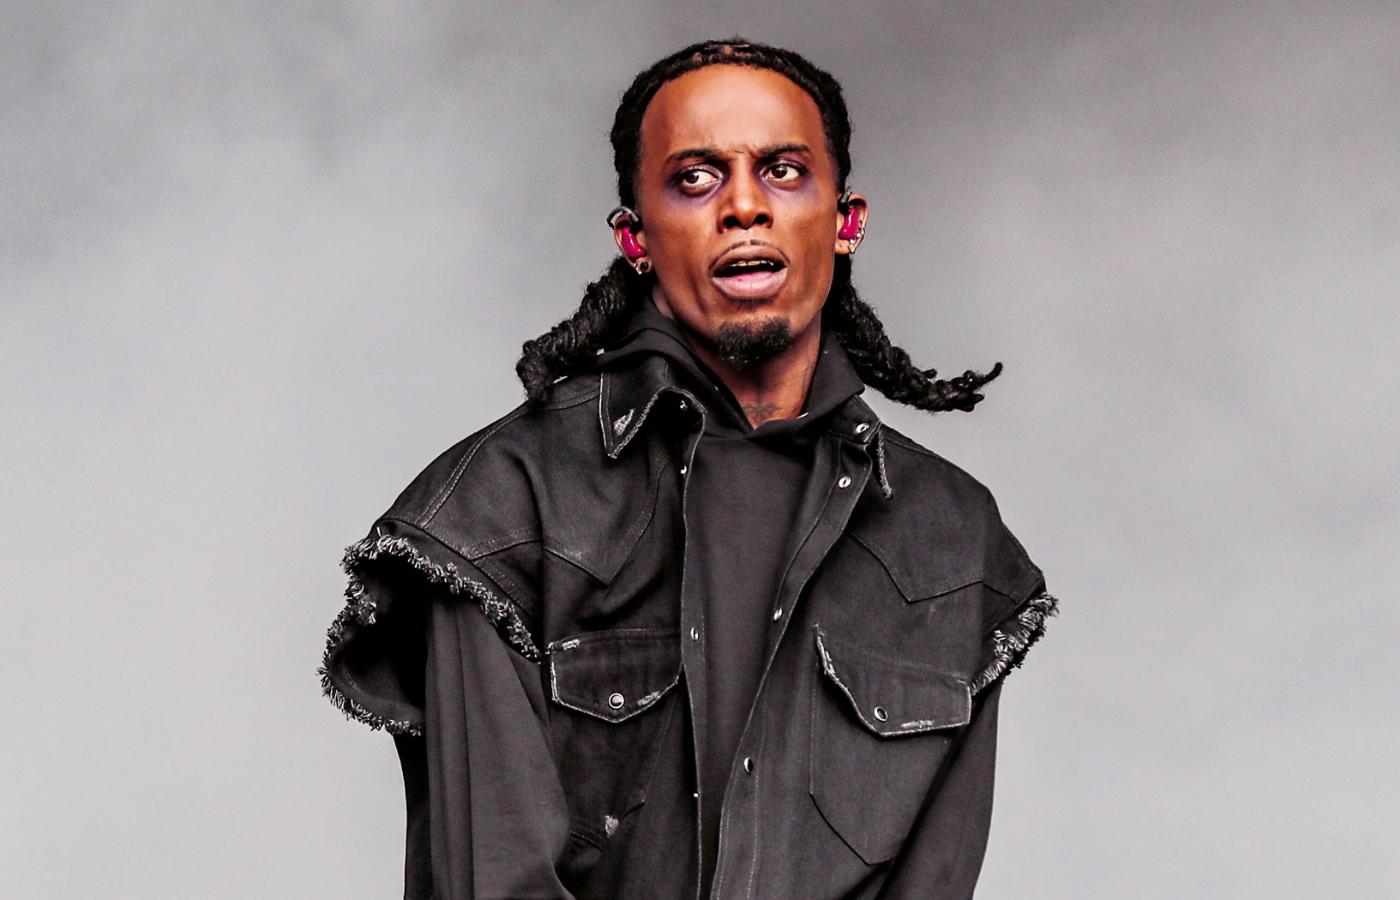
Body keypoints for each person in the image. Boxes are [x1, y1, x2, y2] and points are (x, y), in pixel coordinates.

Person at [319, 37, 1057, 900]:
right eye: (696, 178)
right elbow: (494, 881)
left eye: (783, 170)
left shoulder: (951, 539)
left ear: (846, 221)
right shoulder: (504, 510)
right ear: (636, 238)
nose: (743, 206)